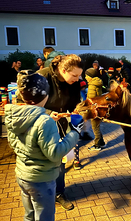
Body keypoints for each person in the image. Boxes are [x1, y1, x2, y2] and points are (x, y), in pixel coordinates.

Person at [5, 71, 82, 221]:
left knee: (30, 215)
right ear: (45, 96)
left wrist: (48, 118)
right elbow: (55, 153)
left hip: (23, 175)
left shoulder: (14, 115)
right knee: (44, 217)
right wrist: (74, 132)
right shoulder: (44, 122)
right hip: (42, 179)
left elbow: (16, 142)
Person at [38, 54, 83, 210]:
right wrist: (48, 112)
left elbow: (75, 101)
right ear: (63, 70)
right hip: (42, 126)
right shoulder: (42, 77)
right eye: (74, 75)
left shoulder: (74, 82)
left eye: (79, 75)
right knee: (43, 163)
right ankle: (41, 194)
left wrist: (77, 109)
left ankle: (59, 193)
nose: (77, 79)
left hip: (61, 126)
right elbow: (27, 103)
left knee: (59, 162)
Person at [85, 68, 106, 151]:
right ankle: (102, 143)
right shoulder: (97, 83)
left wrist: (87, 109)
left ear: (90, 76)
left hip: (94, 109)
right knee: (97, 126)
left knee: (95, 127)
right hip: (98, 108)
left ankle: (97, 145)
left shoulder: (92, 85)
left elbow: (91, 99)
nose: (85, 77)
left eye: (86, 76)